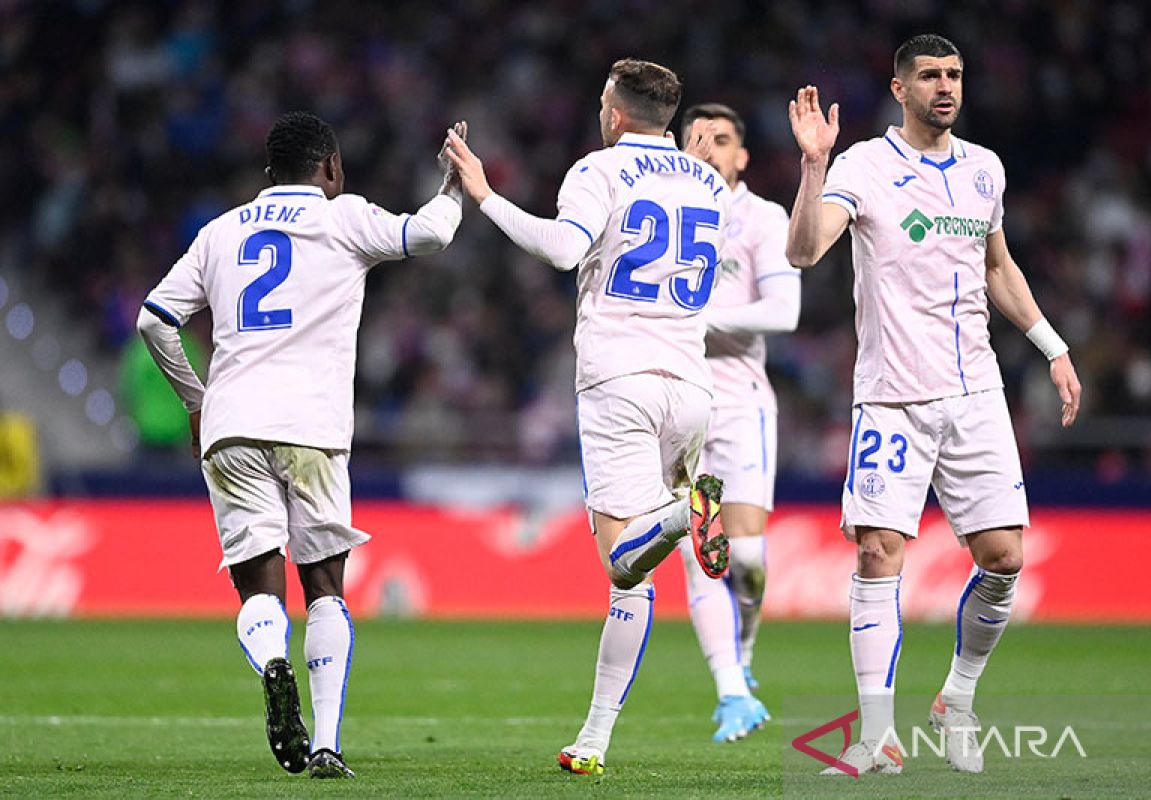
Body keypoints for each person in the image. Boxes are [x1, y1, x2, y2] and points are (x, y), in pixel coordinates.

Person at [785, 34, 1082, 775]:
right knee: (879, 550)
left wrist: (1053, 347)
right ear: (899, 88)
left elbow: (997, 266)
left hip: (976, 392)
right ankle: (876, 738)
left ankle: (957, 695)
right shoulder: (863, 166)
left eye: (953, 75)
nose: (945, 86)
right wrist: (814, 165)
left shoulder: (985, 169)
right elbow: (803, 251)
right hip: (891, 398)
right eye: (929, 76)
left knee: (1005, 557)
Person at [137, 111, 464, 779]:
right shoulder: (345, 220)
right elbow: (430, 233)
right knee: (323, 587)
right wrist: (454, 185)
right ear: (333, 169)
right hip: (312, 428)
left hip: (231, 425)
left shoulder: (221, 233)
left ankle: (272, 661)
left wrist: (197, 401)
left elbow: (155, 319)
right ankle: (326, 744)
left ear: (268, 176)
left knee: (259, 586)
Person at [443, 58, 732, 776]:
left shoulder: (598, 170)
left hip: (619, 380)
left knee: (621, 561)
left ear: (617, 112)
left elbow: (565, 249)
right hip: (693, 386)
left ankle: (676, 516)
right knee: (632, 581)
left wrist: (485, 195)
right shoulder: (710, 184)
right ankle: (594, 739)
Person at [676, 103, 800, 743]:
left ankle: (744, 653)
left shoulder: (762, 217)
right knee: (703, 555)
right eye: (698, 138)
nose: (709, 148)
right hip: (675, 403)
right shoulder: (664, 208)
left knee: (746, 557)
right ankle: (729, 690)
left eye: (721, 139)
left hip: (741, 401)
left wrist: (704, 320)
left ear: (741, 155)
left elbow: (784, 312)